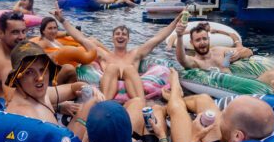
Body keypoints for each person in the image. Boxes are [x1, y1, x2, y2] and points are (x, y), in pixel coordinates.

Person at [54, 8, 182, 102]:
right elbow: (81, 39)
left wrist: (176, 21)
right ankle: (104, 104)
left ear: (128, 39)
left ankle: (141, 106)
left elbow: (157, 38)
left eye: (124, 34)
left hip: (134, 93)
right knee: (112, 68)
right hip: (107, 91)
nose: (120, 36)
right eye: (118, 34)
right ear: (113, 38)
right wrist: (62, 20)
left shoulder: (136, 54)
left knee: (129, 69)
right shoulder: (104, 55)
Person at [5, 41, 87, 122]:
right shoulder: (26, 114)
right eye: (29, 72)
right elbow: (65, 136)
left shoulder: (39, 94)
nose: (39, 78)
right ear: (16, 78)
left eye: (42, 70)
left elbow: (71, 88)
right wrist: (85, 111)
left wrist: (86, 88)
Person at [0, 11, 29, 87]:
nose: (22, 37)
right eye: (15, 32)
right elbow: (12, 96)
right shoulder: (6, 65)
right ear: (1, 33)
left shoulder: (0, 43)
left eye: (23, 31)